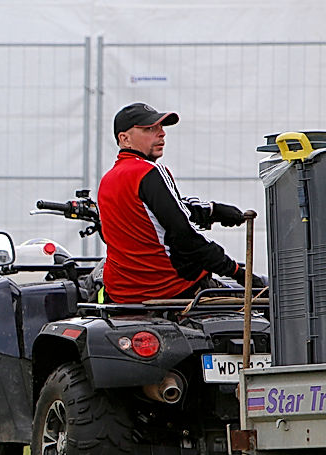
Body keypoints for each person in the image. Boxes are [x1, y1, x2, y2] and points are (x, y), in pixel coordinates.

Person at [96, 102, 252, 304]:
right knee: (261, 309)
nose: (161, 134)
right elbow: (184, 235)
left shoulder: (108, 180)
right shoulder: (149, 172)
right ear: (124, 139)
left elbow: (158, 214)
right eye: (149, 129)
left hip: (123, 294)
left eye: (161, 128)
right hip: (171, 289)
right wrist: (236, 271)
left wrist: (214, 211)